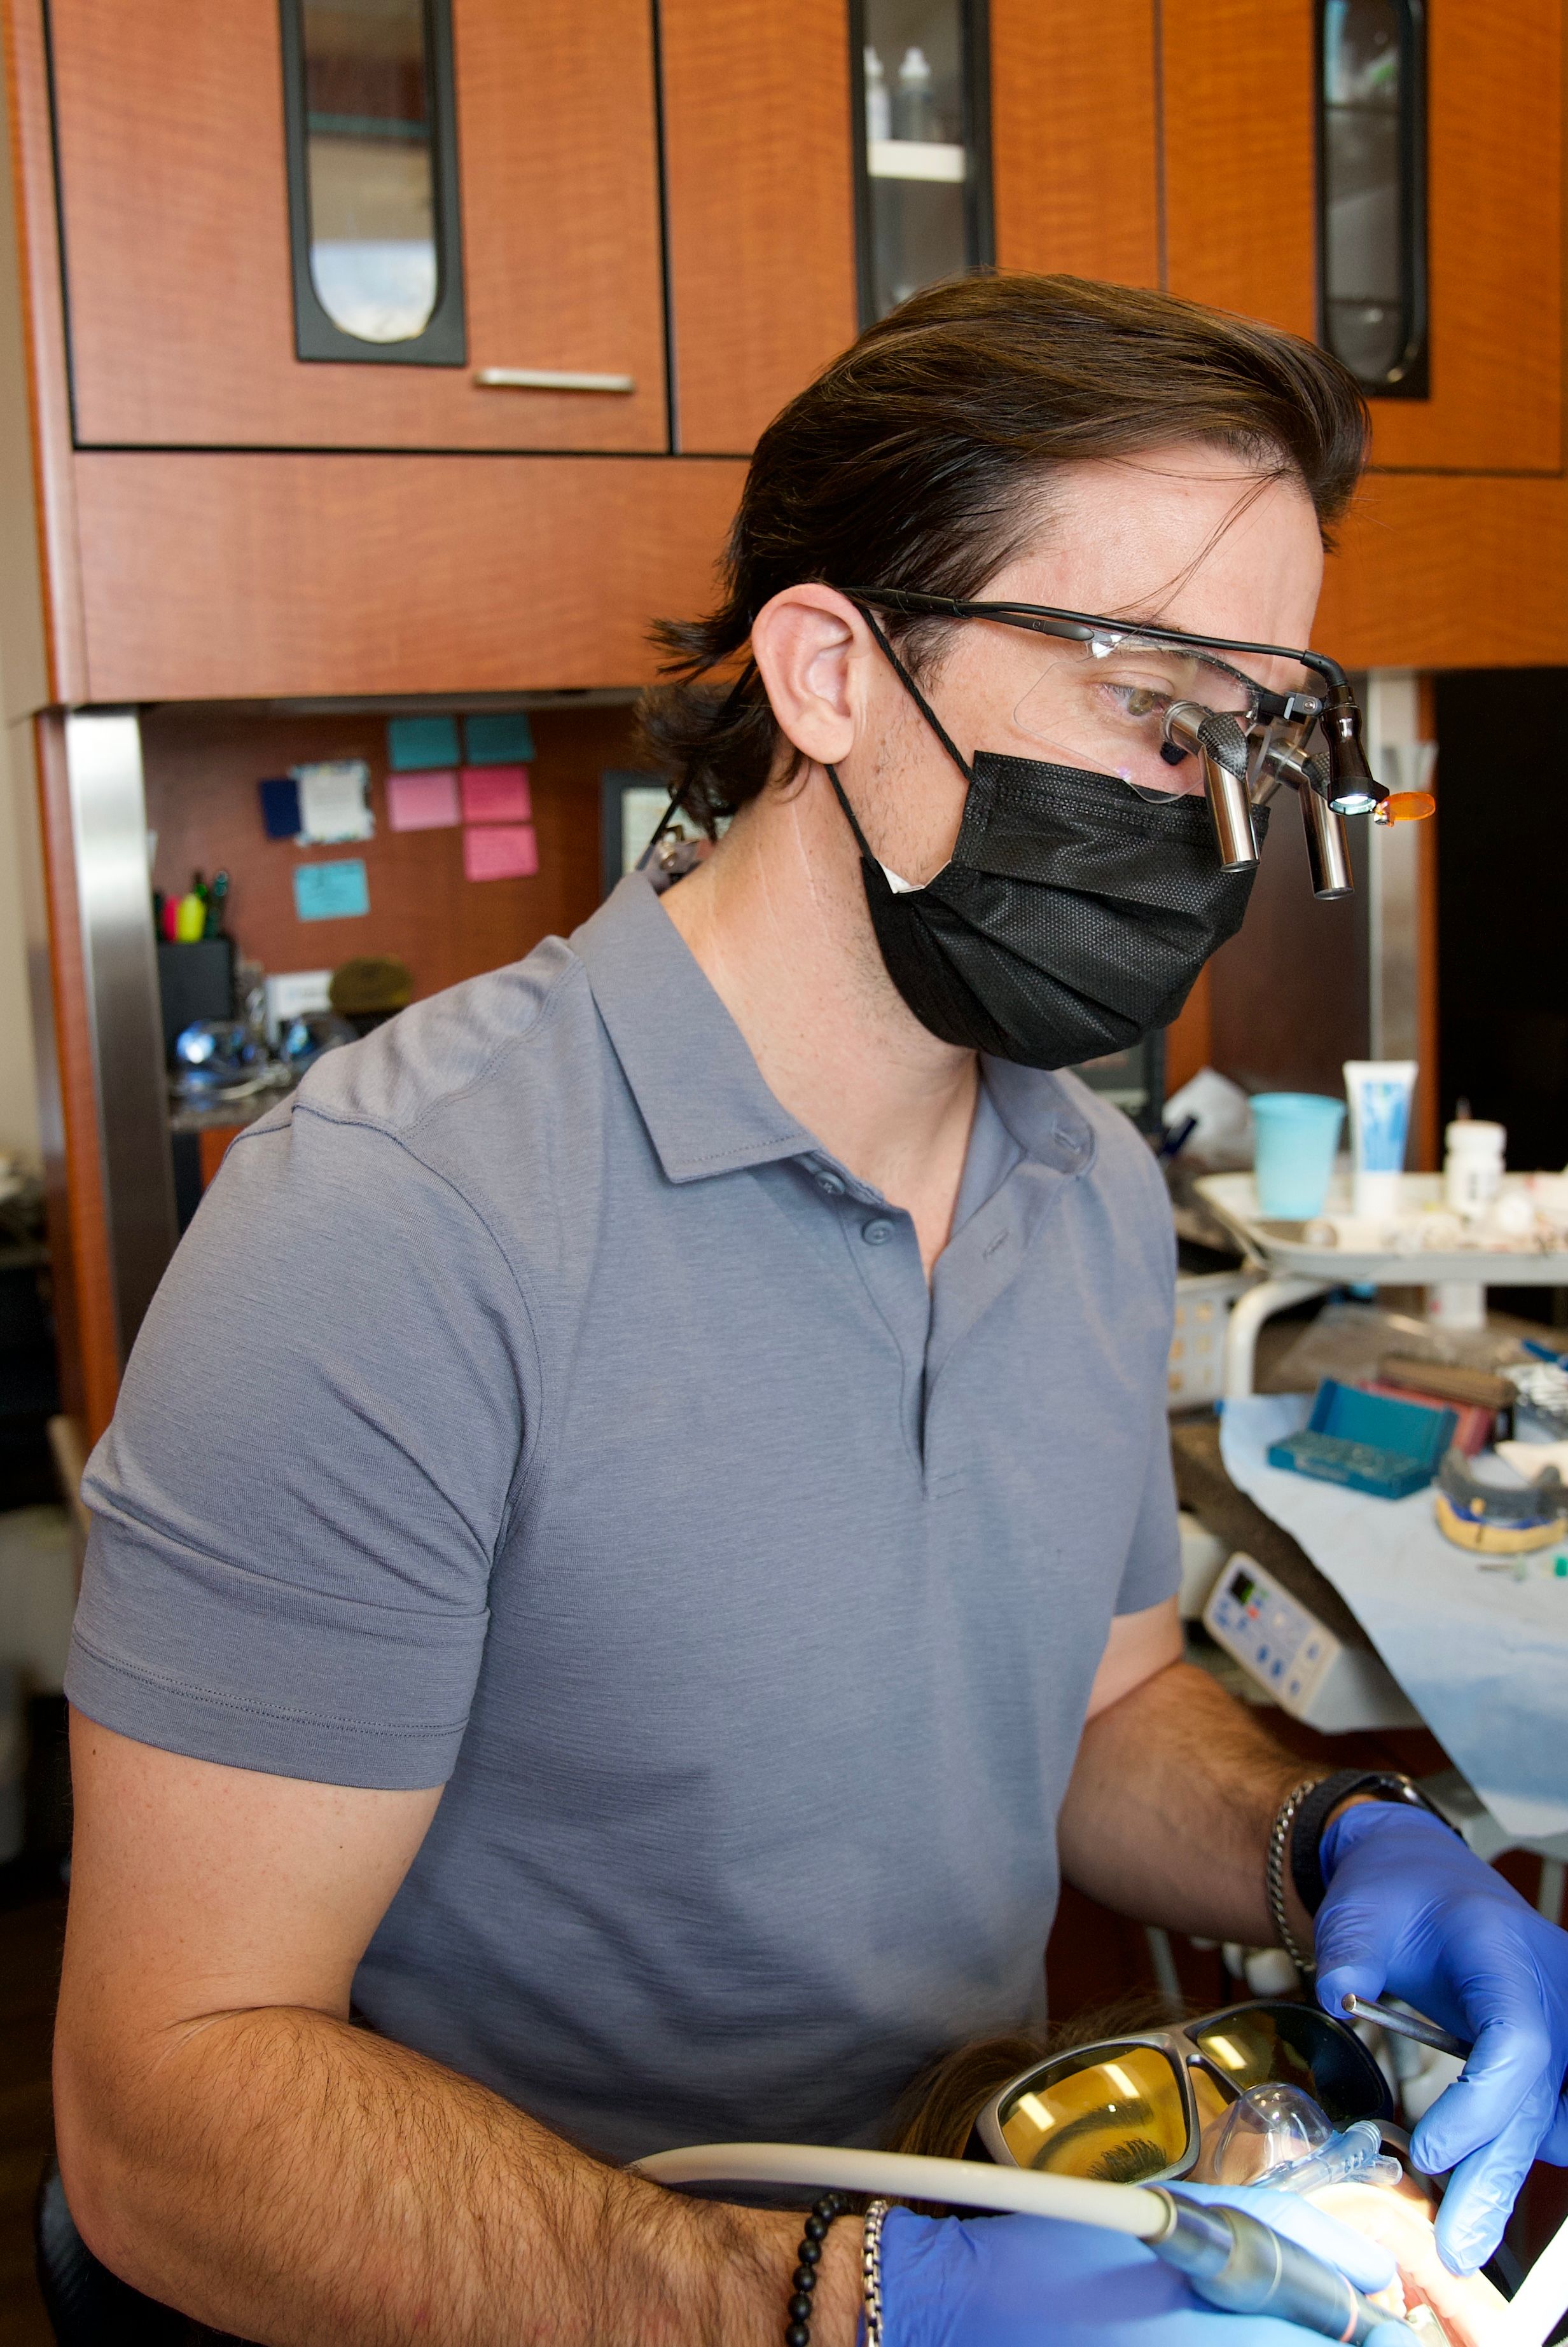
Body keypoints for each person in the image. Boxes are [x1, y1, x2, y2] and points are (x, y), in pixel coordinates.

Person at [54, 275, 1568, 2347]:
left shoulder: (1088, 1188)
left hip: (970, 2190)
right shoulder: (402, 1224)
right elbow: (164, 2110)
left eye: (1252, 738)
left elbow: (1094, 1710)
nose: (1210, 822)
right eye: (1154, 708)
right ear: (831, 670)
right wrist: (816, 2297)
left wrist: (1332, 1835)